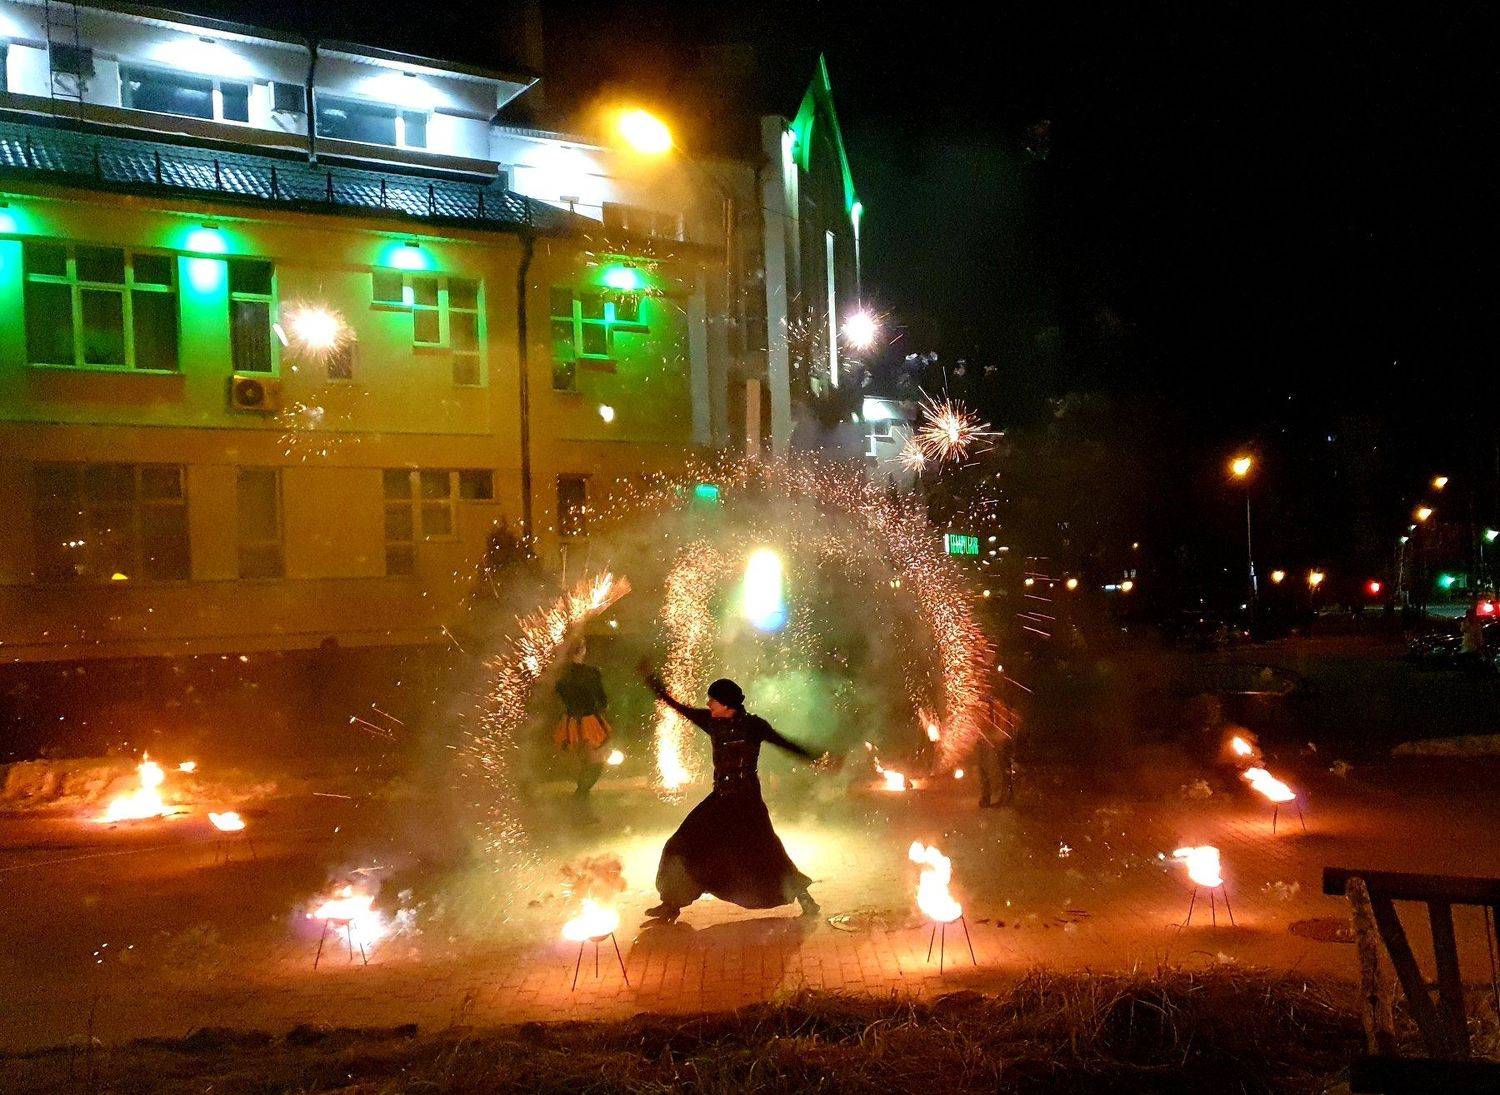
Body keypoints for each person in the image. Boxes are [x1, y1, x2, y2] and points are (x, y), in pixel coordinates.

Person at [639, 662, 830, 922]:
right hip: (720, 799)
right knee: (679, 846)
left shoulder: (754, 726)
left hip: (747, 803)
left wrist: (818, 758)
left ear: (726, 704)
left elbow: (785, 743)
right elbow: (677, 706)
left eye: (713, 700)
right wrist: (653, 682)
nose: (708, 704)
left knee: (769, 854)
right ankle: (671, 905)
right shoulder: (711, 722)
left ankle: (805, 897)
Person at [554, 640, 612, 797]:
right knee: (595, 764)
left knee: (583, 762)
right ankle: (580, 797)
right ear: (583, 650)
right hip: (589, 722)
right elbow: (602, 700)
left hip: (570, 723)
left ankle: (580, 796)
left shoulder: (561, 674)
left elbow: (559, 696)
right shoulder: (591, 673)